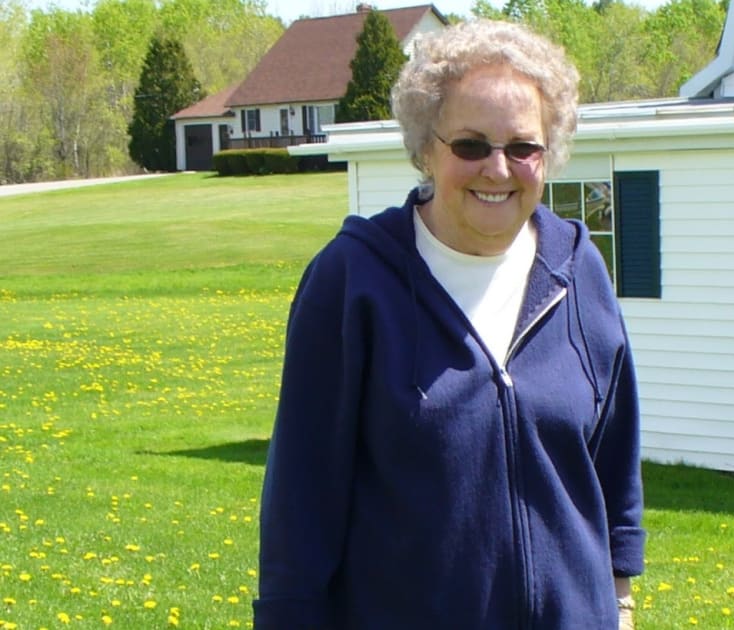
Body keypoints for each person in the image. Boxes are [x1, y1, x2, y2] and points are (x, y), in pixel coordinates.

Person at [253, 19, 646, 630]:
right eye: (471, 146)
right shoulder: (354, 281)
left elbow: (613, 464)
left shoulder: (579, 270)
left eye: (523, 147)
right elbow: (300, 500)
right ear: (426, 148)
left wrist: (619, 604)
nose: (498, 169)